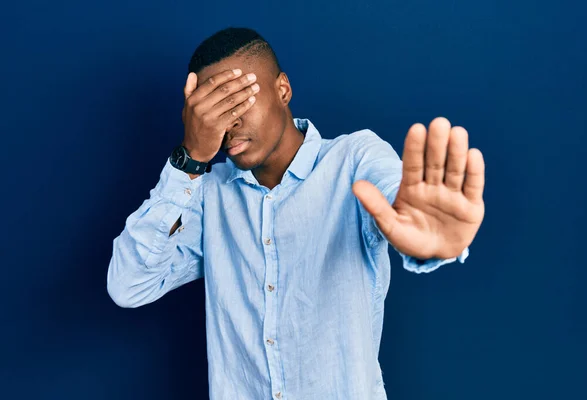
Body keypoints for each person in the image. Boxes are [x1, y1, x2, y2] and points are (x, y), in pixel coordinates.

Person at [107, 27, 485, 400]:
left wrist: (429, 237)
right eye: (212, 109)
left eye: (238, 101)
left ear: (282, 90)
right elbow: (129, 284)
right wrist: (190, 160)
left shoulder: (355, 159)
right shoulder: (206, 194)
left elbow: (401, 204)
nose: (228, 122)